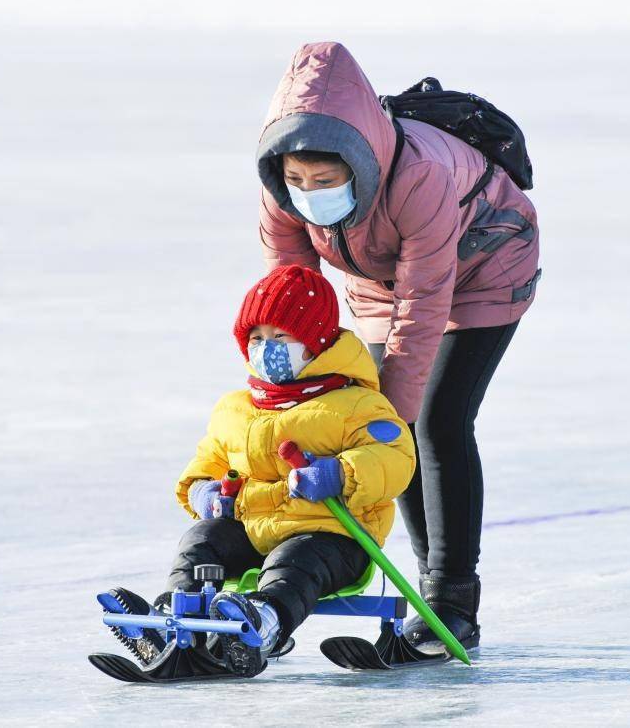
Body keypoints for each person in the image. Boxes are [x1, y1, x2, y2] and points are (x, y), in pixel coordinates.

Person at [254, 41, 542, 653]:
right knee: (382, 424)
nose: (308, 192)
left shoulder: (420, 177)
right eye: (297, 179)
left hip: (485, 262)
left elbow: (426, 301)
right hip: (382, 280)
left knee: (432, 421)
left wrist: (384, 420)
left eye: (325, 181)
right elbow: (293, 294)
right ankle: (412, 589)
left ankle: (452, 602)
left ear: (359, 163)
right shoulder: (281, 191)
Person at [106, 264, 415, 677]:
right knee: (203, 539)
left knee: (296, 560)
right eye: (257, 338)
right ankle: (175, 619)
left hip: (332, 536)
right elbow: (206, 464)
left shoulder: (355, 403)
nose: (266, 348)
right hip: (253, 531)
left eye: (281, 337)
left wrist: (341, 473)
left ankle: (262, 624)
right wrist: (203, 492)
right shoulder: (237, 407)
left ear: (315, 343)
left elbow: (396, 456)